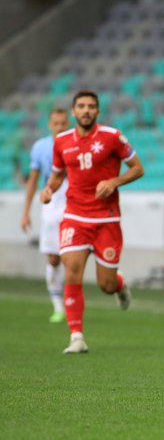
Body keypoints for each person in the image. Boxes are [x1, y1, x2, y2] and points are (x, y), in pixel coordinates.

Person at [40, 90, 145, 354]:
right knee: (72, 271)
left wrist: (114, 181)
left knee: (105, 284)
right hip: (75, 217)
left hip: (106, 219)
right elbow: (56, 174)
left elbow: (137, 168)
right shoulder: (61, 141)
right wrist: (49, 189)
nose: (86, 110)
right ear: (74, 111)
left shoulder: (112, 137)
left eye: (91, 107)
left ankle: (119, 285)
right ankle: (77, 336)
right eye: (81, 106)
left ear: (97, 112)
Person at [21, 108, 71, 323]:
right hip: (50, 202)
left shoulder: (74, 143)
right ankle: (57, 305)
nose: (59, 127)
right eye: (56, 123)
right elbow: (33, 180)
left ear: (68, 124)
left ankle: (71, 303)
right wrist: (26, 212)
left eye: (63, 123)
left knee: (72, 256)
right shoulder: (40, 147)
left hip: (72, 200)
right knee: (53, 258)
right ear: (50, 124)